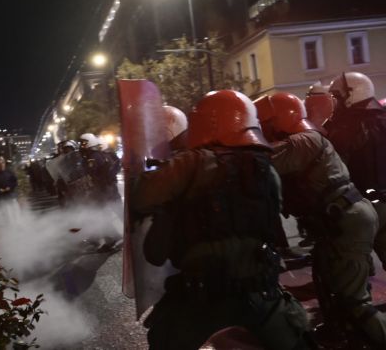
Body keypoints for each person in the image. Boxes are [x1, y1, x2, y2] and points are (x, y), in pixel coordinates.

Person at [133, 90, 312, 350]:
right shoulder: (267, 167)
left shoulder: (192, 163)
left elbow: (141, 196)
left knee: (163, 341)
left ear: (210, 122)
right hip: (262, 291)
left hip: (202, 295)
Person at [256, 91, 386, 346]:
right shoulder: (307, 139)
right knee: (331, 289)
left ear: (279, 119)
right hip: (340, 221)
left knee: (354, 301)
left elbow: (260, 163)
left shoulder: (304, 141)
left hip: (346, 221)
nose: (263, 129)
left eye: (265, 123)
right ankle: (346, 337)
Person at [324, 71, 386, 271]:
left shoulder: (345, 127)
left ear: (352, 94)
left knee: (353, 267)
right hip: (379, 201)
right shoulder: (382, 117)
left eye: (336, 97)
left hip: (362, 205)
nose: (334, 102)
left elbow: (335, 166)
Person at [0, 156, 21, 226]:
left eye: (2, 163)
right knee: (6, 213)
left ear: (4, 164)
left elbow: (15, 182)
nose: (1, 165)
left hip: (11, 195)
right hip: (1, 197)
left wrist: (9, 187)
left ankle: (18, 224)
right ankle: (8, 226)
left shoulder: (10, 172)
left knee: (15, 210)